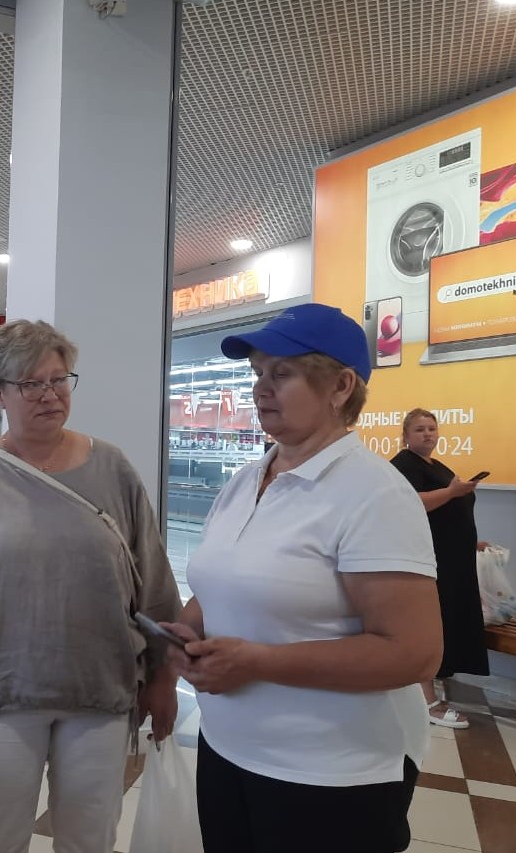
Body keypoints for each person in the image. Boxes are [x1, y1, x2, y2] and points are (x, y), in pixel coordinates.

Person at [0, 319, 181, 853]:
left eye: (58, 379)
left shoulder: (113, 468)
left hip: (99, 689)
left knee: (90, 839)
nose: (49, 394)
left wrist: (163, 679)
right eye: (30, 384)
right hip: (1, 690)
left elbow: (154, 585)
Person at [162, 303, 441, 853]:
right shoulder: (246, 479)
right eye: (257, 373)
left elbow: (414, 654)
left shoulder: (375, 494)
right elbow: (219, 587)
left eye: (282, 373)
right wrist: (185, 634)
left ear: (340, 386)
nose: (260, 388)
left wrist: (258, 662)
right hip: (227, 749)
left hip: (331, 774)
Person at [390, 408, 490, 729]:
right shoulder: (403, 465)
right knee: (428, 627)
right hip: (429, 562)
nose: (427, 434)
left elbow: (449, 512)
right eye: (420, 429)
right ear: (406, 435)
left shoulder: (437, 465)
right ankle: (426, 701)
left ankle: (429, 690)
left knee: (447, 623)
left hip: (452, 560)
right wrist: (451, 492)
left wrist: (470, 541)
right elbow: (411, 503)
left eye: (431, 428)